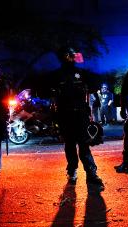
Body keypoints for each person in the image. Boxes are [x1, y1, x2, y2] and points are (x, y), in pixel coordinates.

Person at [48, 46, 104, 188]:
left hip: (81, 115)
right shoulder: (56, 75)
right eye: (72, 56)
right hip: (65, 115)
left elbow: (94, 86)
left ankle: (91, 173)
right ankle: (72, 170)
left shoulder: (82, 73)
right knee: (70, 145)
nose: (75, 58)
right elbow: (50, 95)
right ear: (66, 57)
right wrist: (54, 118)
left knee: (84, 144)